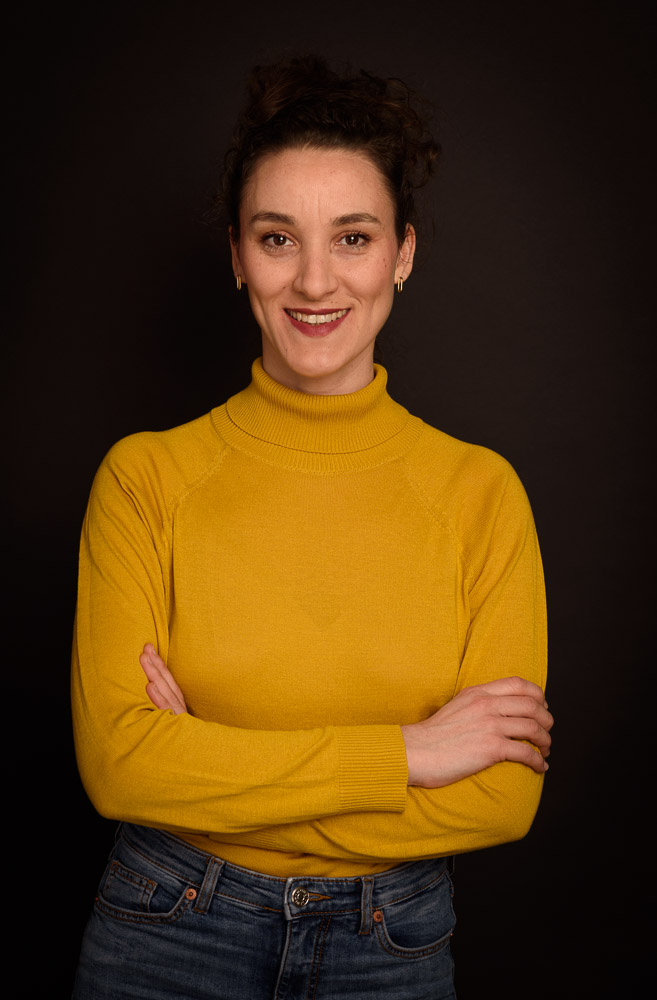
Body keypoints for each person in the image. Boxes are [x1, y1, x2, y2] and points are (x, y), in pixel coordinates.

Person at [71, 55, 552, 999]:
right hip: (168, 932)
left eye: (354, 237)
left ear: (402, 253)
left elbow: (501, 798)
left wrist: (209, 772)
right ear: (237, 255)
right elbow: (121, 768)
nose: (315, 279)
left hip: (390, 947)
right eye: (278, 237)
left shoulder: (480, 492)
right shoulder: (145, 479)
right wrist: (409, 755)